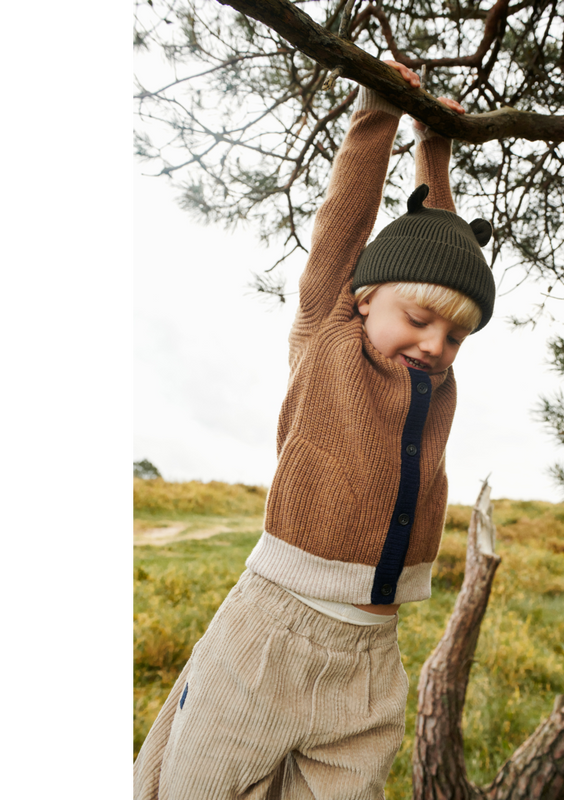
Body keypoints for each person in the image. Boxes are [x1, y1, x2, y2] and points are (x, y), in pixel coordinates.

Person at [131, 60, 496, 800]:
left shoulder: (436, 378)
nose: (435, 344)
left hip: (370, 655)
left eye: (455, 336)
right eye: (418, 320)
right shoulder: (327, 336)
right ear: (362, 298)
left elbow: (444, 247)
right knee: (199, 786)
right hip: (270, 636)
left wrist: (438, 145)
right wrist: (380, 113)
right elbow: (344, 227)